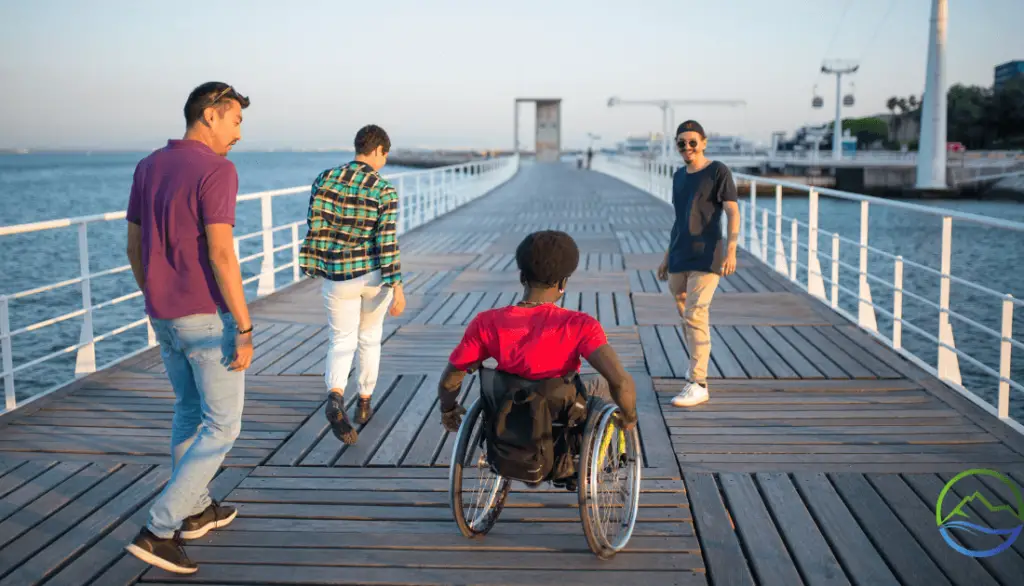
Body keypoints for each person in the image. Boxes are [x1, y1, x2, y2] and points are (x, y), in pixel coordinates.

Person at [123, 82, 253, 574]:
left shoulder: (148, 166)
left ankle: (195, 508)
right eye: (236, 120)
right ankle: (159, 527)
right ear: (210, 116)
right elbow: (221, 252)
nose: (239, 132)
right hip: (205, 317)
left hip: (164, 315)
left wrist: (154, 297)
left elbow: (133, 248)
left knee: (189, 411)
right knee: (223, 425)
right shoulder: (217, 170)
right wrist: (244, 326)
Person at [436, 231, 638, 456]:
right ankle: (598, 459)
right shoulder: (580, 325)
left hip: (509, 410)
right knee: (603, 383)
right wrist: (629, 417)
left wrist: (448, 409)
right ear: (563, 282)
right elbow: (620, 383)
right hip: (561, 411)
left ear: (522, 277)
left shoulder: (485, 322)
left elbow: (450, 380)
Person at [299, 124, 406, 445]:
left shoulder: (324, 179)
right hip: (373, 277)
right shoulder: (383, 190)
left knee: (340, 339)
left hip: (337, 276)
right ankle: (363, 402)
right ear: (378, 151)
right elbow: (386, 244)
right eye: (385, 155)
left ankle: (335, 397)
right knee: (369, 339)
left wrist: (317, 261)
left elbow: (314, 224)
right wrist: (397, 286)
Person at [657, 120, 740, 407]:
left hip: (707, 253)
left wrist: (731, 250)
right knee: (685, 311)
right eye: (681, 143)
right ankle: (696, 361)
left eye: (693, 142)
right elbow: (679, 219)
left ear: (704, 142)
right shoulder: (679, 176)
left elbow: (732, 211)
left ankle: (698, 382)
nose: (687, 147)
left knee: (695, 314)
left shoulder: (718, 171)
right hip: (680, 253)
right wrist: (666, 257)